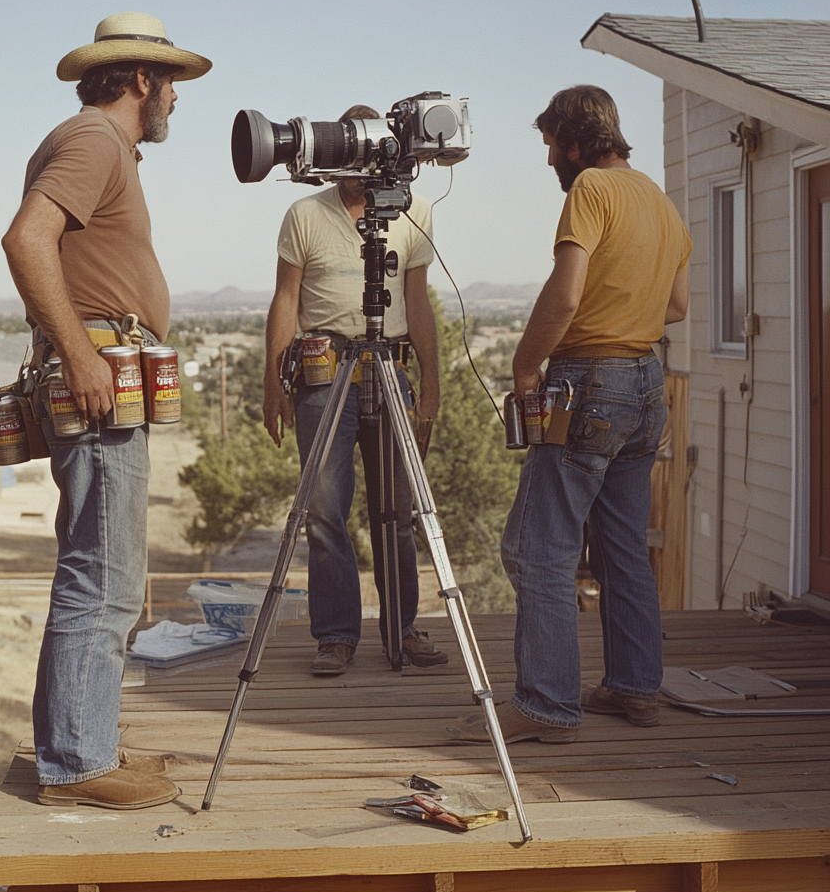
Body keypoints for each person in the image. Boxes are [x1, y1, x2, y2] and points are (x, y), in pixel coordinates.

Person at [1, 12, 211, 808]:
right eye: (173, 87)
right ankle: (78, 763)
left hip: (105, 376)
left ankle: (89, 743)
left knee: (105, 568)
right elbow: (26, 241)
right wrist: (83, 355)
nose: (176, 104)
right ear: (143, 81)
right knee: (105, 574)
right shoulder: (93, 139)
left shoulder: (100, 143)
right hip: (96, 380)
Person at [448, 85, 690, 745]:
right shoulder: (660, 203)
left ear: (578, 142)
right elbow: (676, 306)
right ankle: (634, 687)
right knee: (622, 548)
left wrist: (527, 369)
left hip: (589, 381)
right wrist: (624, 309)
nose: (549, 155)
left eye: (551, 142)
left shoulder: (591, 191)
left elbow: (566, 291)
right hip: (645, 383)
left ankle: (545, 706)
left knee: (536, 549)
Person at [263, 105, 449, 676]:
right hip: (324, 372)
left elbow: (417, 302)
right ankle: (337, 635)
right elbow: (286, 300)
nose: (358, 163)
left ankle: (403, 626)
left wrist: (433, 386)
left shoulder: (410, 210)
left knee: (398, 509)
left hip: (390, 368)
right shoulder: (304, 214)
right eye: (348, 150)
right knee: (324, 511)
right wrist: (272, 382)